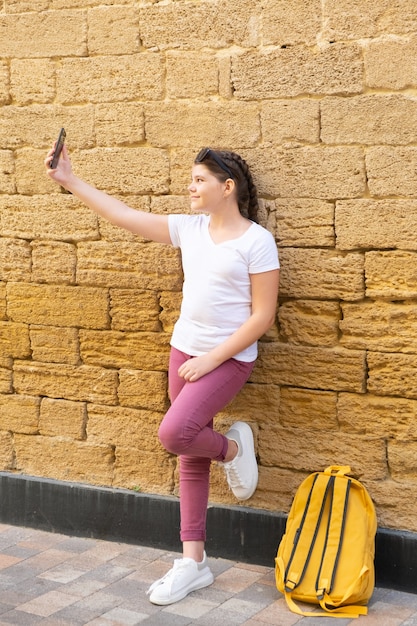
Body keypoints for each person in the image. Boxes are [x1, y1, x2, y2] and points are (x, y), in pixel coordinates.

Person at [45, 143, 280, 606]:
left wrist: (212, 358)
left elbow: (262, 317)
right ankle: (194, 562)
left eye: (199, 181)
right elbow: (124, 215)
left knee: (175, 433)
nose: (190, 187)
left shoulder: (256, 241)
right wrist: (70, 181)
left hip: (227, 359)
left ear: (226, 187)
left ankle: (233, 449)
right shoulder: (189, 229)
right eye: (191, 179)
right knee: (190, 453)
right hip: (183, 350)